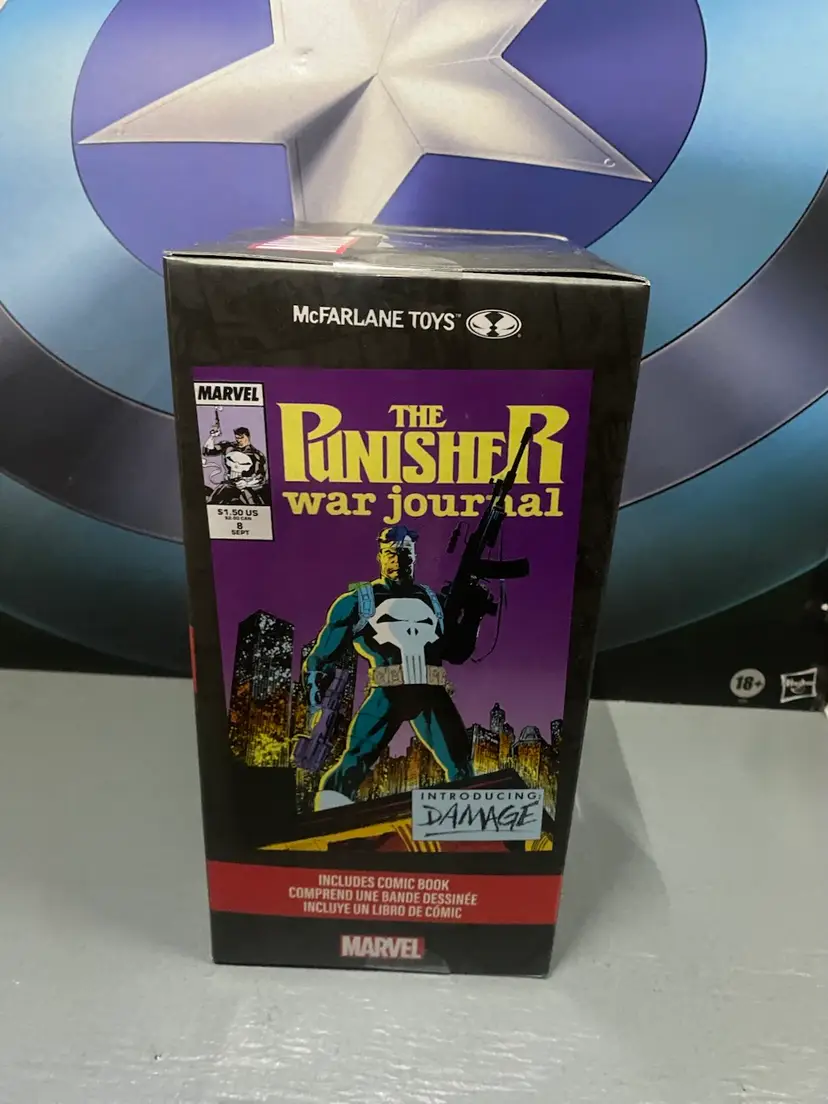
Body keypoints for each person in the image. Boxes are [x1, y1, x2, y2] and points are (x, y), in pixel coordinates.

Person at [304, 525, 495, 810]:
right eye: (391, 554)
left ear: (414, 557)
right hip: (388, 694)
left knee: (460, 765)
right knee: (354, 763)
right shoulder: (359, 601)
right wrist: (315, 687)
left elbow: (456, 653)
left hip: (431, 695)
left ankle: (462, 823)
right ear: (380, 556)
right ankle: (328, 818)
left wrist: (472, 616)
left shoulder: (434, 601)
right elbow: (324, 653)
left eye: (405, 553)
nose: (398, 560)